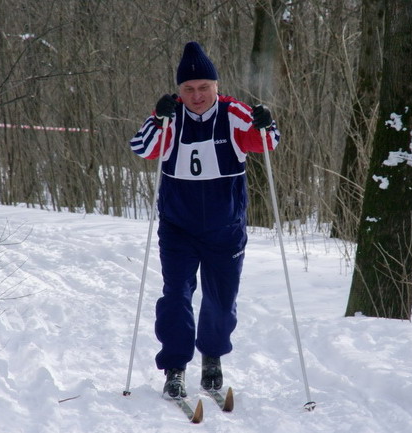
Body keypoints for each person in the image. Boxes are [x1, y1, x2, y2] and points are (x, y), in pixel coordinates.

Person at [129, 41, 279, 399]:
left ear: (216, 86)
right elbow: (142, 148)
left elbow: (267, 143)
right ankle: (175, 366)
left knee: (221, 299)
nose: (197, 96)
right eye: (189, 89)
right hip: (178, 227)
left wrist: (265, 121)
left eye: (204, 88)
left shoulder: (233, 113)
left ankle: (212, 356)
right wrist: (156, 117)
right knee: (176, 295)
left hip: (224, 229)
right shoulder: (170, 117)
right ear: (180, 91)